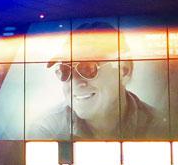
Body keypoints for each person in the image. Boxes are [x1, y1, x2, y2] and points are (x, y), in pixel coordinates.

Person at [26, 31, 158, 141]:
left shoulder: (160, 125)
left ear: (124, 71)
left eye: (87, 68)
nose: (74, 82)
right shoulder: (46, 130)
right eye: (65, 71)